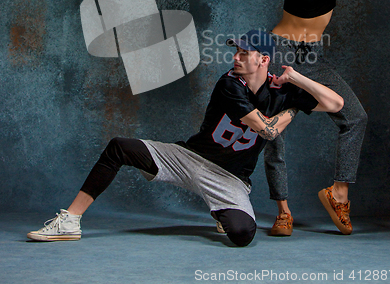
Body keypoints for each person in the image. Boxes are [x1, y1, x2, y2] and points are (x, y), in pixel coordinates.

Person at [27, 29, 343, 247]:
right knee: (119, 147)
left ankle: (221, 210)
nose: (236, 57)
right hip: (189, 158)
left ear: (264, 60)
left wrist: (298, 79)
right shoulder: (230, 84)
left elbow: (336, 104)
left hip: (230, 179)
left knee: (243, 235)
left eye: (245, 53)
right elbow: (267, 130)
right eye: (235, 50)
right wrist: (293, 109)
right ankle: (70, 220)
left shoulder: (282, 91)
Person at [198, 0, 368, 236]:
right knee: (274, 131)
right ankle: (283, 211)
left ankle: (339, 192)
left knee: (355, 117)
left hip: (313, 55)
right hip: (280, 49)